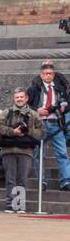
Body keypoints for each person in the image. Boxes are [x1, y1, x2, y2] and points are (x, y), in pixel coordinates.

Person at [0, 89, 44, 212]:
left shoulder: (34, 114)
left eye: (22, 97)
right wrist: (13, 131)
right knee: (10, 179)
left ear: (26, 98)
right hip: (8, 150)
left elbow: (42, 131)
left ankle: (20, 205)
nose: (19, 99)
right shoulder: (6, 113)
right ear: (14, 99)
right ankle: (10, 205)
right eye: (17, 97)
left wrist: (27, 131)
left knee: (22, 179)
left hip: (26, 151)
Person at [27, 60, 70, 191]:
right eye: (46, 73)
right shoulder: (34, 89)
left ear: (54, 74)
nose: (48, 76)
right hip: (40, 124)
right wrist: (37, 110)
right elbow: (26, 106)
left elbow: (68, 104)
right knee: (39, 154)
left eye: (51, 73)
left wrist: (64, 108)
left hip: (56, 123)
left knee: (62, 152)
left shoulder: (60, 89)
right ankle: (42, 181)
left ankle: (66, 181)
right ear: (41, 75)